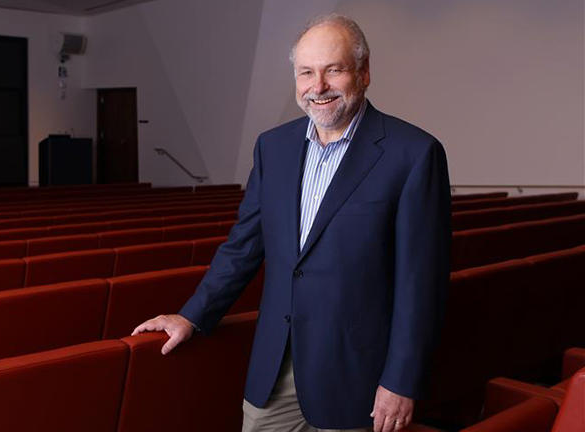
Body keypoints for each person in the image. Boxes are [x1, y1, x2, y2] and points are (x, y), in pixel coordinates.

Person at [132, 13, 451, 432]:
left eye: (333, 70)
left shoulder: (413, 154)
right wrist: (191, 316)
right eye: (306, 72)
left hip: (359, 378)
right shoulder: (273, 147)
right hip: (275, 372)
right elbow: (243, 247)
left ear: (364, 72)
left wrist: (400, 380)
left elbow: (421, 282)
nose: (317, 87)